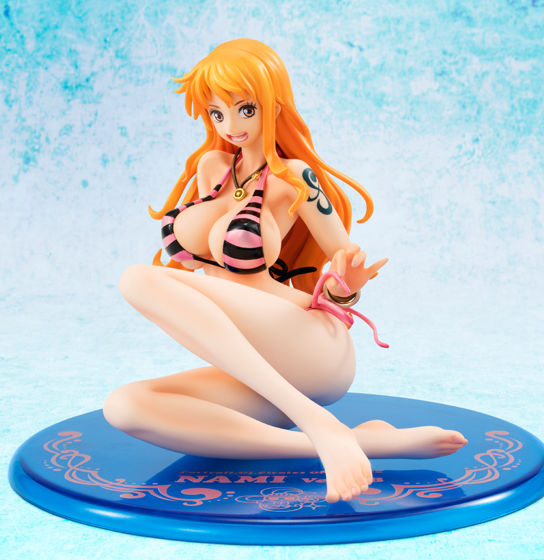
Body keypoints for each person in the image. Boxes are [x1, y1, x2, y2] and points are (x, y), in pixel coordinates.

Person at [103, 39, 467, 504]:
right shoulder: (212, 167)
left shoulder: (295, 178)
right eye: (216, 113)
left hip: (307, 345)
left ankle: (317, 420)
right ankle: (357, 440)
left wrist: (346, 289)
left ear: (273, 104)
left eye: (245, 109)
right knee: (126, 406)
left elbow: (345, 261)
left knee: (138, 279)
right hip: (256, 359)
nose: (231, 126)